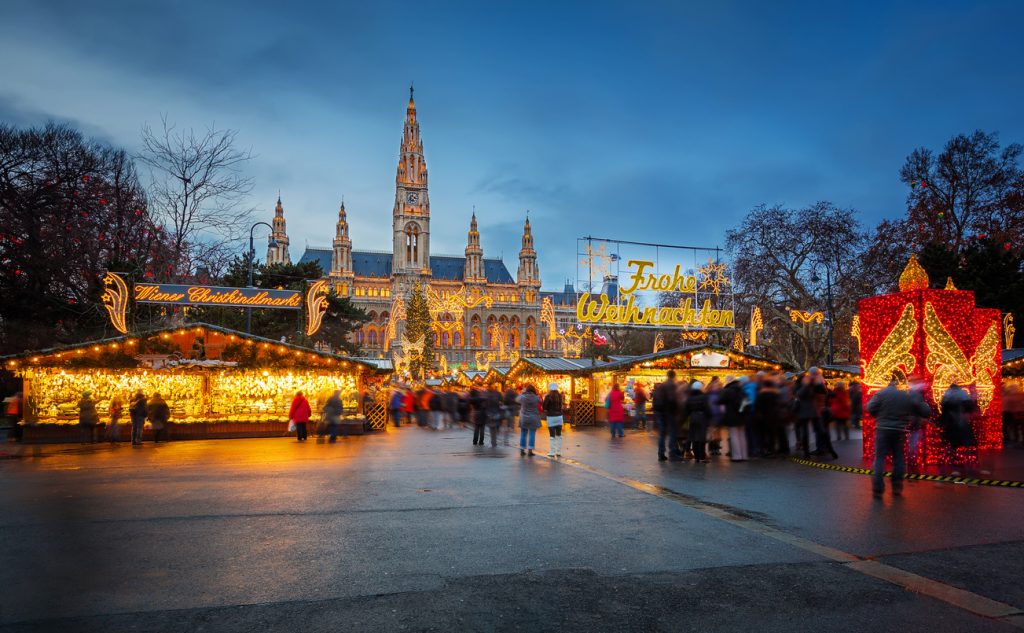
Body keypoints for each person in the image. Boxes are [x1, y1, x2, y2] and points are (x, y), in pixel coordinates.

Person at [866, 376, 932, 497]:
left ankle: (878, 489)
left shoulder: (880, 394)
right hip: (899, 430)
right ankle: (897, 486)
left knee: (880, 458)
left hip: (883, 429)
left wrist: (879, 416)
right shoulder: (904, 395)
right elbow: (924, 410)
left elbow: (869, 408)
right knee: (898, 458)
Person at [939, 383, 978, 476]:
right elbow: (970, 406)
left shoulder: (947, 395)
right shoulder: (963, 394)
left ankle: (953, 464)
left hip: (951, 423)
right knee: (967, 443)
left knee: (952, 445)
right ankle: (969, 463)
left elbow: (943, 408)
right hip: (962, 422)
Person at [653, 370, 681, 461]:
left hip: (660, 412)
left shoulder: (662, 385)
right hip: (669, 412)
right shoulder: (671, 385)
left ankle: (661, 454)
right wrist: (677, 410)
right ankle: (672, 454)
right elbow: (672, 399)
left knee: (662, 434)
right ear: (674, 376)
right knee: (672, 433)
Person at [683, 381, 712, 463]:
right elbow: (707, 409)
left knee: (694, 437)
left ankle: (696, 457)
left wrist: (686, 418)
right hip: (702, 417)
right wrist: (709, 418)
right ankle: (702, 457)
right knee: (701, 438)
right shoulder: (704, 397)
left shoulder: (690, 397)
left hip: (692, 417)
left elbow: (686, 409)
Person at [720, 377, 747, 461]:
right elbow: (746, 402)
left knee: (734, 435)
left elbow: (720, 400)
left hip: (731, 416)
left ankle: (737, 456)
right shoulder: (742, 390)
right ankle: (744, 455)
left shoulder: (727, 391)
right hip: (742, 415)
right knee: (742, 435)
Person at [518, 384, 542, 456]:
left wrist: (523, 392)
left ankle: (522, 449)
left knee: (523, 433)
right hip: (533, 417)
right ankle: (530, 450)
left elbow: (517, 399)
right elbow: (540, 401)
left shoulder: (523, 397)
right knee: (532, 433)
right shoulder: (536, 397)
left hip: (524, 417)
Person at [543, 382, 565, 457]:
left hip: (551, 417)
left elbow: (544, 407)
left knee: (552, 436)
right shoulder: (560, 396)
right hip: (559, 417)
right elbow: (561, 405)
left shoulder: (548, 396)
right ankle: (559, 451)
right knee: (559, 435)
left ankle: (552, 452)